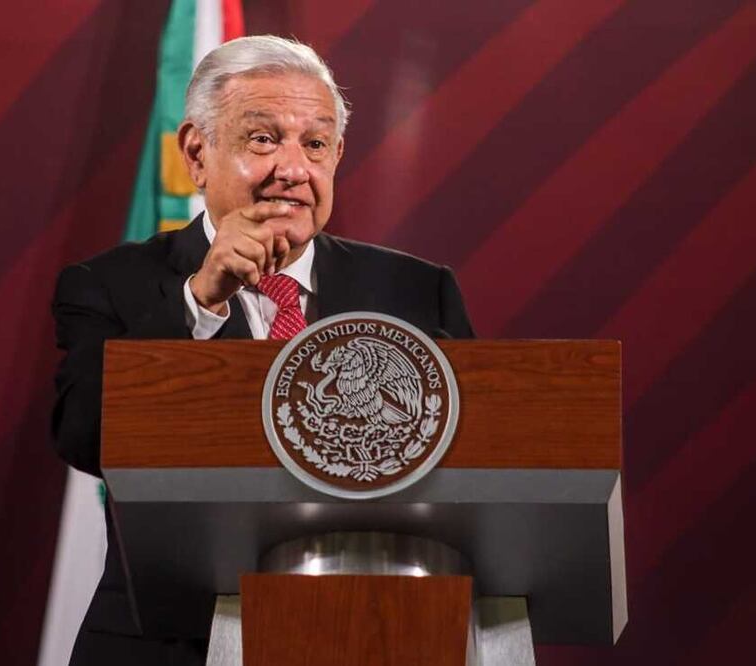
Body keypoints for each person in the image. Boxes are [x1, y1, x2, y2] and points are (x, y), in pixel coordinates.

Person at [51, 35, 474, 665]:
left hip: (375, 636)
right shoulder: (111, 285)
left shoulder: (415, 291)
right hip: (172, 644)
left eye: (315, 144)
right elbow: (86, 439)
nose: (294, 169)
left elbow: (474, 467)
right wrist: (200, 300)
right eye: (263, 139)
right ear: (197, 153)